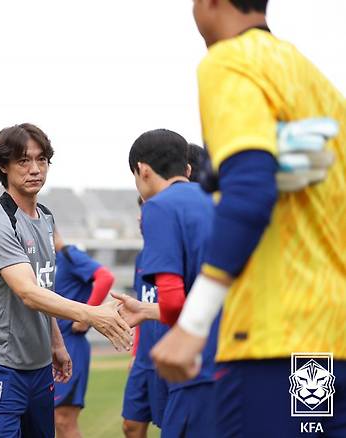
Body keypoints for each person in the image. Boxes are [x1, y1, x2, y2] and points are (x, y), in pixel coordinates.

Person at [149, 1, 346, 436]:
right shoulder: (314, 79)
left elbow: (250, 191)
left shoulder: (228, 60)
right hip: (328, 337)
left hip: (271, 338)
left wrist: (193, 323)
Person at [0, 123, 132, 438]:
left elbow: (45, 288)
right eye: (23, 161)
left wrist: (56, 344)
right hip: (1, 364)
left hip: (39, 364)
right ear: (3, 166)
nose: (35, 169)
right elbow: (29, 294)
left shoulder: (45, 218)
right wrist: (92, 313)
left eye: (41, 160)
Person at [112, 129, 217, 437]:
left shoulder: (159, 207)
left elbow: (173, 303)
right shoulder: (216, 202)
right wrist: (145, 310)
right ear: (186, 169)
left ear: (142, 170)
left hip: (197, 366)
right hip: (235, 362)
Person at [52, 229, 115, 438]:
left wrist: (87, 315)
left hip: (71, 345)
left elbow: (105, 277)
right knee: (53, 419)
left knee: (63, 419)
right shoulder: (46, 261)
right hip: (51, 346)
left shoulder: (69, 254)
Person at [121, 197, 169, 438]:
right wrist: (135, 351)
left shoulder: (176, 252)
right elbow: (140, 308)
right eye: (140, 209)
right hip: (143, 358)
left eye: (146, 209)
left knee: (170, 428)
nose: (141, 216)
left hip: (168, 354)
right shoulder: (142, 258)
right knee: (131, 425)